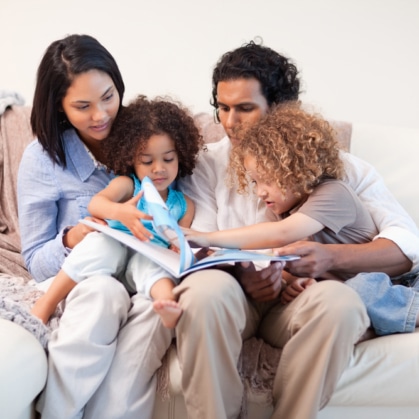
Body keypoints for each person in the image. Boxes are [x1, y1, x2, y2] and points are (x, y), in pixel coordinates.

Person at [176, 41, 419, 419]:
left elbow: (406, 247)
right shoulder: (207, 165)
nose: (228, 122)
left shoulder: (339, 170)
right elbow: (201, 246)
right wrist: (242, 275)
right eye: (222, 108)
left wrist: (327, 259)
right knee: (203, 291)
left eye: (244, 108)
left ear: (282, 110)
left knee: (342, 303)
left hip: (296, 302)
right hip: (231, 295)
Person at [17, 34, 173, 419]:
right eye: (83, 106)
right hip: (82, 280)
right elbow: (35, 260)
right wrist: (74, 236)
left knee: (155, 307)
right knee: (104, 293)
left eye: (108, 97)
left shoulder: (143, 137)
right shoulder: (42, 159)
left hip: (140, 272)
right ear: (59, 106)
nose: (101, 115)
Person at [186, 102, 419, 336]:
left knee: (361, 289)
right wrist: (295, 282)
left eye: (268, 180)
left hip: (400, 283)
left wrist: (206, 238)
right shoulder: (282, 208)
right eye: (256, 181)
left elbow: (281, 235)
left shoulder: (333, 194)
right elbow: (287, 257)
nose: (260, 192)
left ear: (297, 171)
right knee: (339, 294)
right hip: (347, 285)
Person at [30, 95, 202, 329]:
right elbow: (96, 204)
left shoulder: (184, 204)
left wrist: (177, 246)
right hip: (112, 254)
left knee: (156, 267)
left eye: (168, 159)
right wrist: (121, 212)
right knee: (98, 245)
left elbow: (182, 237)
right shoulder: (128, 185)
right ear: (132, 161)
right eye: (147, 161)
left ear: (180, 156)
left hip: (147, 258)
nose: (159, 168)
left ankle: (167, 303)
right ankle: (46, 303)